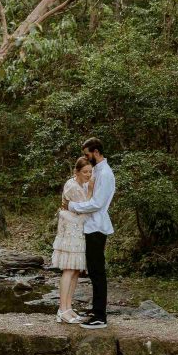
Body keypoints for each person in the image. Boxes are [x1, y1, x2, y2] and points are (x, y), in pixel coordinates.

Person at [68, 137, 115, 329]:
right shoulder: (97, 171)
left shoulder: (106, 174)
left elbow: (97, 203)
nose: (86, 158)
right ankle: (96, 311)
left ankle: (100, 317)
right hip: (91, 225)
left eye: (87, 155)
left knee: (97, 271)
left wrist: (73, 206)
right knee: (94, 271)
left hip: (97, 226)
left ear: (96, 152)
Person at [52, 157, 93, 324]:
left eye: (90, 172)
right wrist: (91, 191)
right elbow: (87, 206)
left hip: (79, 229)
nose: (88, 175)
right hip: (70, 230)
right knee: (69, 269)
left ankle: (68, 307)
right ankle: (62, 309)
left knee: (75, 270)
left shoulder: (82, 184)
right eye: (85, 172)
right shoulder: (72, 186)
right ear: (77, 172)